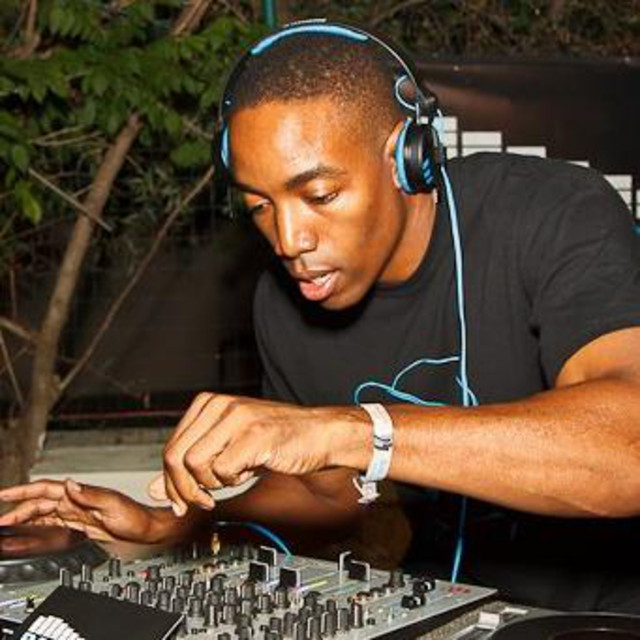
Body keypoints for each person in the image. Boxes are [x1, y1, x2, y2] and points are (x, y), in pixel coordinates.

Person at [1, 22, 639, 613]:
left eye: (320, 194)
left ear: (406, 157)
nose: (289, 239)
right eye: (259, 205)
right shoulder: (284, 301)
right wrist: (174, 526)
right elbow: (326, 492)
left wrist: (354, 432)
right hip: (442, 612)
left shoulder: (552, 215)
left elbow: (629, 448)